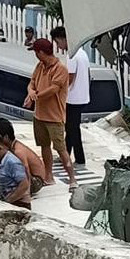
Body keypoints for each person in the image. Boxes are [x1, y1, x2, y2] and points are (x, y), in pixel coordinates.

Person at [24, 38, 76, 189]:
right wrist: (31, 93)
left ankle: (72, 179)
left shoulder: (60, 69)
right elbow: (31, 82)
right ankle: (48, 176)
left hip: (54, 117)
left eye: (35, 52)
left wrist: (36, 96)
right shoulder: (40, 66)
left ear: (41, 52)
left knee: (61, 149)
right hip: (39, 115)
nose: (35, 54)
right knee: (44, 146)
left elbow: (54, 89)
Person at [51, 25, 90, 166]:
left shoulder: (72, 55)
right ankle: (70, 156)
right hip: (81, 97)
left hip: (73, 98)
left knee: (71, 129)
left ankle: (73, 157)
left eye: (57, 41)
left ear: (63, 39)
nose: (58, 45)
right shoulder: (82, 53)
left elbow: (70, 77)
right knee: (72, 128)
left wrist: (59, 90)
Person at [0, 118, 51, 194]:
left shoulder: (18, 151)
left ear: (5, 137)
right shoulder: (9, 147)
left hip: (36, 180)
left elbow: (26, 171)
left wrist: (25, 192)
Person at [0, 135, 31, 210]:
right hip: (5, 198)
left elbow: (24, 185)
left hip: (18, 203)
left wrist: (7, 202)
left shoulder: (12, 162)